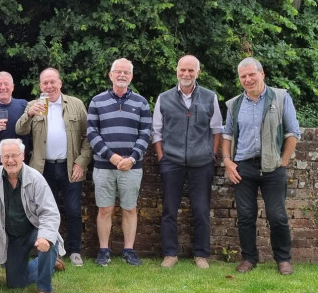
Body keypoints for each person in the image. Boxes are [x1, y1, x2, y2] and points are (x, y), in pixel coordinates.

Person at [221, 57, 301, 275]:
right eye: (243, 76)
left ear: (262, 73)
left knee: (277, 216)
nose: (247, 79)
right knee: (246, 216)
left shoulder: (281, 98)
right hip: (244, 167)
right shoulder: (234, 104)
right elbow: (226, 134)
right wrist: (227, 161)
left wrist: (283, 162)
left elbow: (292, 133)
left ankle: (283, 260)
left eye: (251, 75)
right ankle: (249, 258)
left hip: (273, 167)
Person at [15, 67, 91, 266]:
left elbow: (87, 136)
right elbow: (19, 129)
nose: (49, 86)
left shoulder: (75, 104)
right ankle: (51, 252)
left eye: (52, 82)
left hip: (69, 167)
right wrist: (30, 114)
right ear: (40, 86)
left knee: (73, 210)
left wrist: (81, 162)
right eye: (45, 83)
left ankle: (74, 251)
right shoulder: (34, 105)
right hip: (42, 169)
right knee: (44, 212)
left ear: (60, 83)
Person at [152, 55, 223, 269]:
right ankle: (170, 254)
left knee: (201, 210)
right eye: (183, 70)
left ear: (198, 73)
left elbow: (217, 129)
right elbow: (156, 131)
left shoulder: (210, 97)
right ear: (176, 71)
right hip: (171, 161)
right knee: (169, 210)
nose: (186, 74)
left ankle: (201, 255)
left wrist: (212, 154)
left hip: (202, 162)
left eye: (191, 71)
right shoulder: (164, 98)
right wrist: (161, 157)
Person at [86, 58, 152, 267]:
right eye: (118, 72)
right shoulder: (97, 101)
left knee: (129, 209)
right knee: (104, 209)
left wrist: (132, 158)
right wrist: (111, 156)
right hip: (104, 165)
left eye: (126, 72)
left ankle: (129, 250)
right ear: (111, 75)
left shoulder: (141, 102)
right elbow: (91, 133)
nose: (122, 75)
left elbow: (146, 133)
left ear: (131, 76)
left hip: (131, 166)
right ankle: (104, 250)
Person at [0, 139, 63, 293]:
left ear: (22, 156)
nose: (10, 160)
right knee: (14, 283)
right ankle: (49, 264)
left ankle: (45, 288)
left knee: (49, 242)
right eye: (6, 156)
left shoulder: (36, 178)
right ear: (0, 158)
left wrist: (45, 236)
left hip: (34, 230)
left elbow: (50, 213)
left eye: (14, 155)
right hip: (13, 237)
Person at [0, 71, 29, 167]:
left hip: (21, 162)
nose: (3, 87)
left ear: (12, 87)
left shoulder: (23, 105)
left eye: (6, 84)